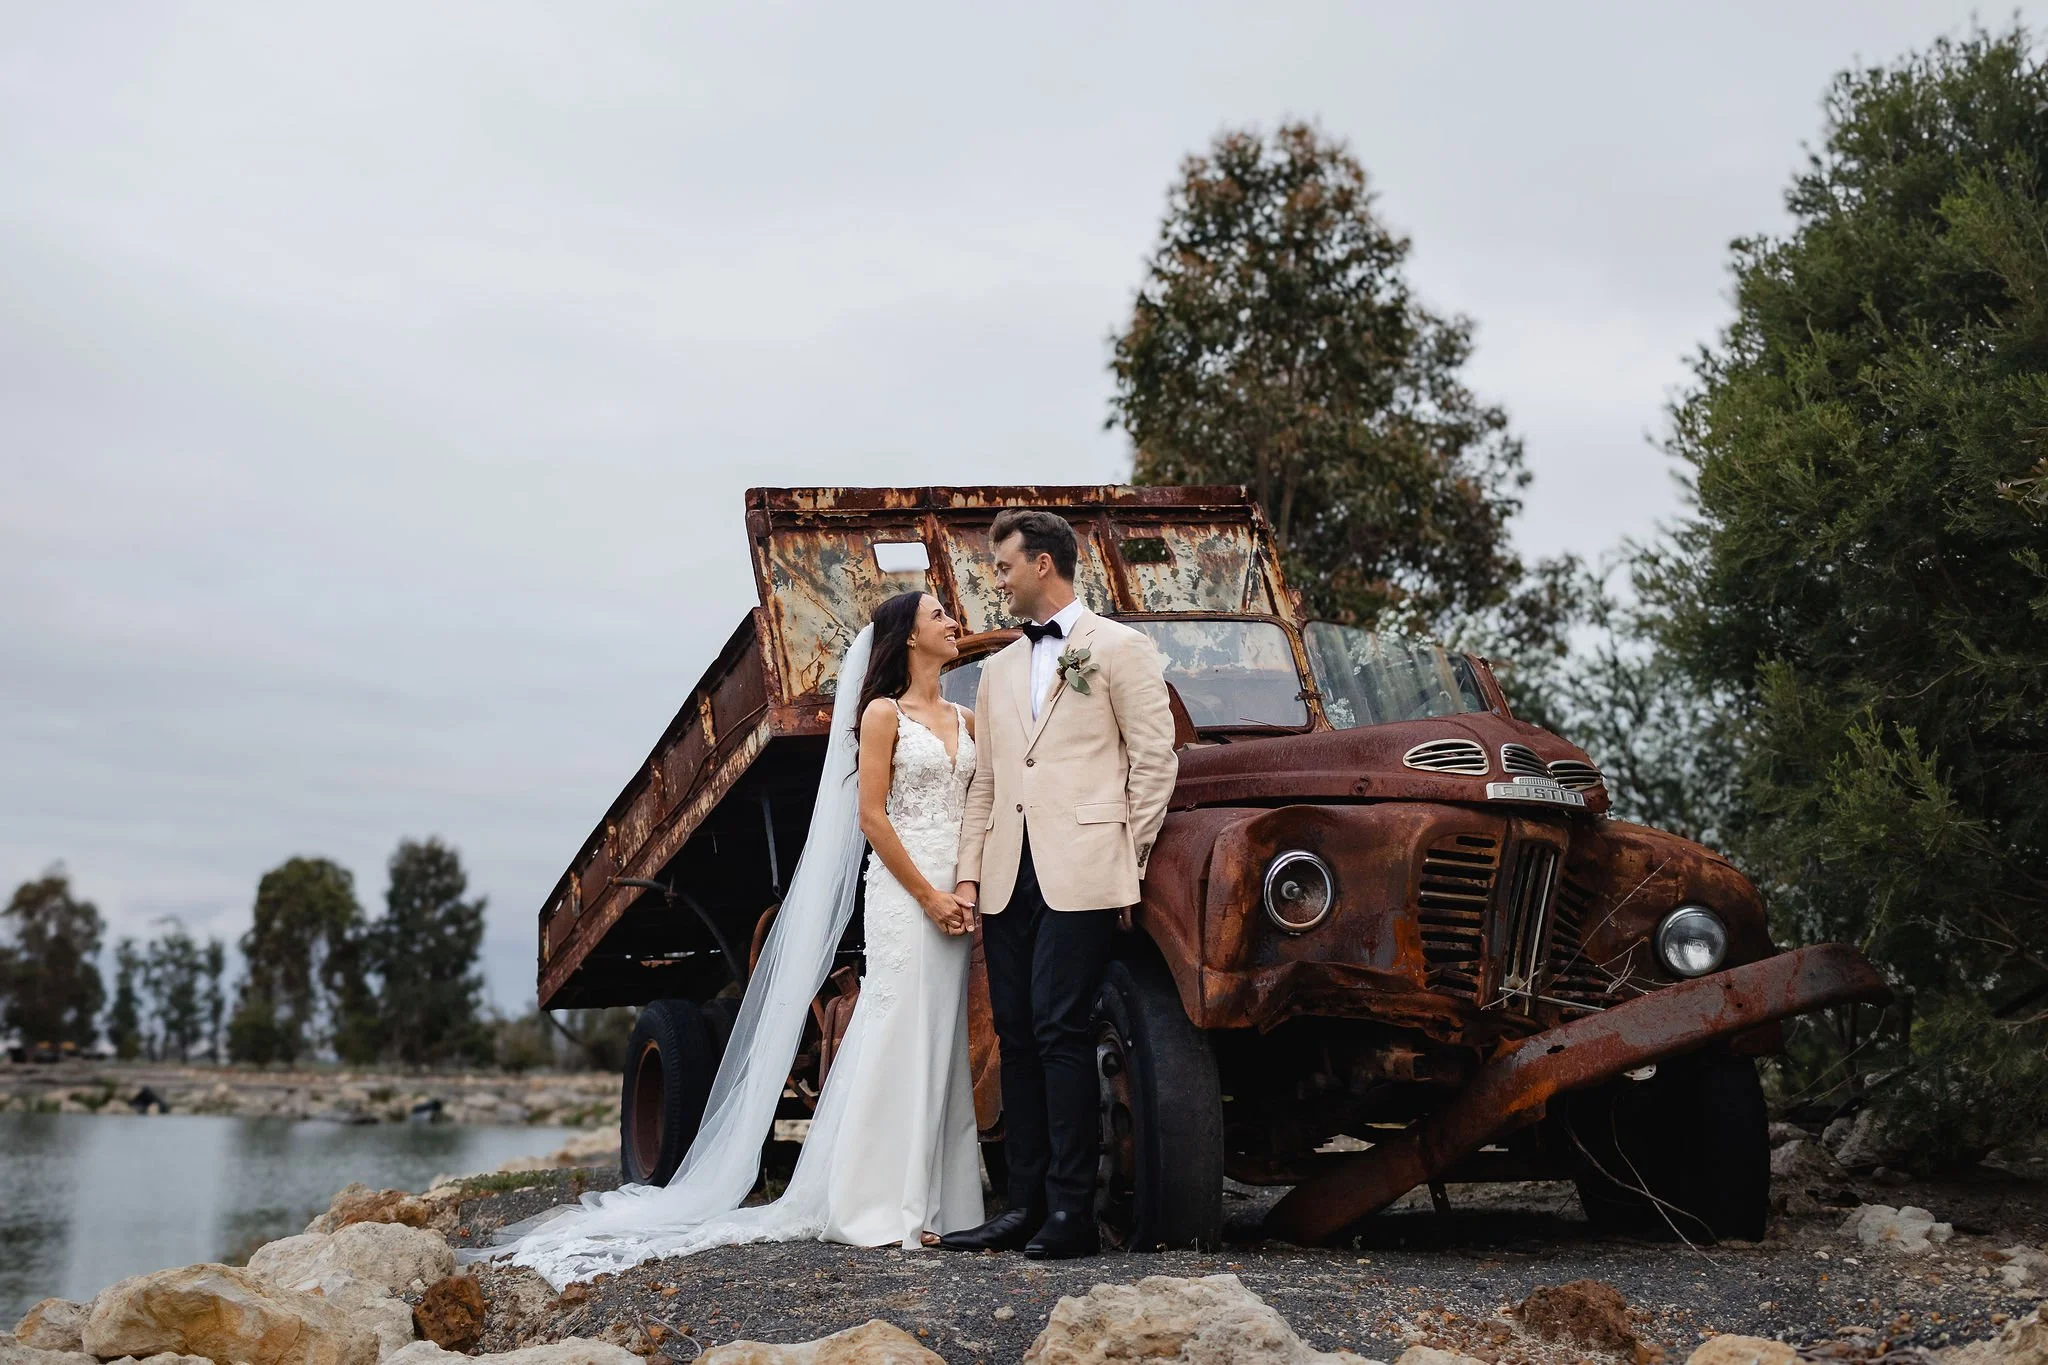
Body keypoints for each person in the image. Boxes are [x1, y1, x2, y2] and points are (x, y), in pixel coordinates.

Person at [473, 590, 984, 1285]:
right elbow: (870, 817)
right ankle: (884, 1202)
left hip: (958, 897)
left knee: (946, 1035)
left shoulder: (966, 716)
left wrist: (965, 891)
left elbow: (979, 804)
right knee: (897, 1032)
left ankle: (948, 1202)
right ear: (908, 638)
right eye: (936, 616)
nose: (953, 622)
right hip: (905, 894)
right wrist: (927, 895)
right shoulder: (881, 714)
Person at [939, 508, 1178, 1259]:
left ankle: (1073, 1213)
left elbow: (1154, 761)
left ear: (1043, 563)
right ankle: (1025, 1203)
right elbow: (986, 782)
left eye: (1003, 565)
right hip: (1009, 873)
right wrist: (970, 873)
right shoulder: (998, 668)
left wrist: (1125, 858)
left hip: (1084, 868)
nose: (996, 580)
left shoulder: (1121, 649)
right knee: (1014, 1033)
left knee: (1058, 1028)